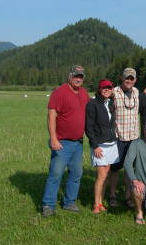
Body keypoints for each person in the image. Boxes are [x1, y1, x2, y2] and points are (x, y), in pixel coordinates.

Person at [42, 65, 90, 217]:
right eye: (76, 76)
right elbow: (51, 117)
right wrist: (54, 139)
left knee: (76, 173)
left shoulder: (83, 93)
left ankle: (69, 201)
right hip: (62, 142)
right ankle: (48, 205)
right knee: (56, 174)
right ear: (69, 76)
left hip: (78, 142)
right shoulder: (59, 92)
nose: (78, 79)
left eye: (81, 76)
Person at [85, 79, 118, 213]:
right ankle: (96, 204)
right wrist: (95, 146)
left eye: (109, 88)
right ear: (99, 89)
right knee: (101, 175)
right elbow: (89, 127)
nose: (107, 90)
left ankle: (101, 203)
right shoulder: (93, 103)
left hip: (111, 143)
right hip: (100, 145)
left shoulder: (110, 103)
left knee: (107, 174)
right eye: (104, 88)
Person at [109, 67, 140, 208]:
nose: (129, 80)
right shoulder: (113, 92)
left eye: (131, 78)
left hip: (133, 137)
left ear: (135, 80)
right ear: (122, 78)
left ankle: (128, 196)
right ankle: (112, 196)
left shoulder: (137, 92)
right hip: (118, 137)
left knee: (129, 169)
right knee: (115, 169)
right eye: (127, 77)